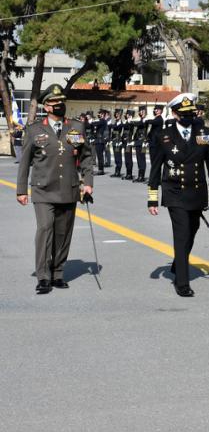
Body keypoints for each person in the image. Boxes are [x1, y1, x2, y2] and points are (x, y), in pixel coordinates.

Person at [15, 84, 94, 294]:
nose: (60, 105)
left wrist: (87, 182)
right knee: (44, 229)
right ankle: (43, 276)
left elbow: (86, 156)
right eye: (55, 102)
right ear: (47, 106)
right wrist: (21, 189)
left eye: (62, 102)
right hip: (43, 189)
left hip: (69, 188)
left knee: (63, 233)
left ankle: (58, 272)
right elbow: (25, 162)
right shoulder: (34, 130)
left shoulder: (76, 128)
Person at [147, 93, 209, 297]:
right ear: (174, 114)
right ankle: (182, 282)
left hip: (197, 191)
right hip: (175, 192)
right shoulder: (163, 135)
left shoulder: (204, 132)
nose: (189, 117)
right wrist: (152, 197)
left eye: (191, 113)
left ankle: (177, 263)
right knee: (181, 234)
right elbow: (155, 168)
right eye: (184, 114)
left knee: (193, 229)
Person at [132, 107, 149, 183]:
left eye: (141, 112)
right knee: (139, 159)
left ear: (145, 112)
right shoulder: (140, 120)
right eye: (139, 112)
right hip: (138, 142)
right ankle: (140, 175)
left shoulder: (146, 120)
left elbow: (140, 124)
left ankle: (142, 176)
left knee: (142, 159)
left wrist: (132, 122)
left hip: (143, 142)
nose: (140, 113)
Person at [121, 109, 135, 180]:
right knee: (126, 158)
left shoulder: (131, 122)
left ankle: (130, 174)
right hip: (124, 142)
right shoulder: (126, 121)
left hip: (128, 142)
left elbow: (129, 126)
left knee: (128, 158)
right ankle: (128, 173)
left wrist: (128, 120)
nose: (126, 115)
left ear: (130, 115)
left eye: (127, 114)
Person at [93, 110, 108, 175]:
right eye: (99, 114)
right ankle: (100, 169)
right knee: (99, 156)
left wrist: (91, 122)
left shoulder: (103, 121)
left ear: (103, 115)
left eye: (100, 114)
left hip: (100, 140)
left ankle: (101, 170)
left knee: (100, 156)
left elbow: (95, 124)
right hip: (97, 140)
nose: (99, 115)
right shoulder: (100, 121)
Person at [110, 110, 124, 177]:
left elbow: (118, 129)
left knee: (118, 156)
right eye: (116, 114)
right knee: (116, 156)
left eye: (118, 115)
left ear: (120, 115)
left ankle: (118, 171)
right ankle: (116, 171)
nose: (116, 116)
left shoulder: (121, 123)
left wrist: (112, 125)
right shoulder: (115, 122)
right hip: (114, 141)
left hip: (118, 141)